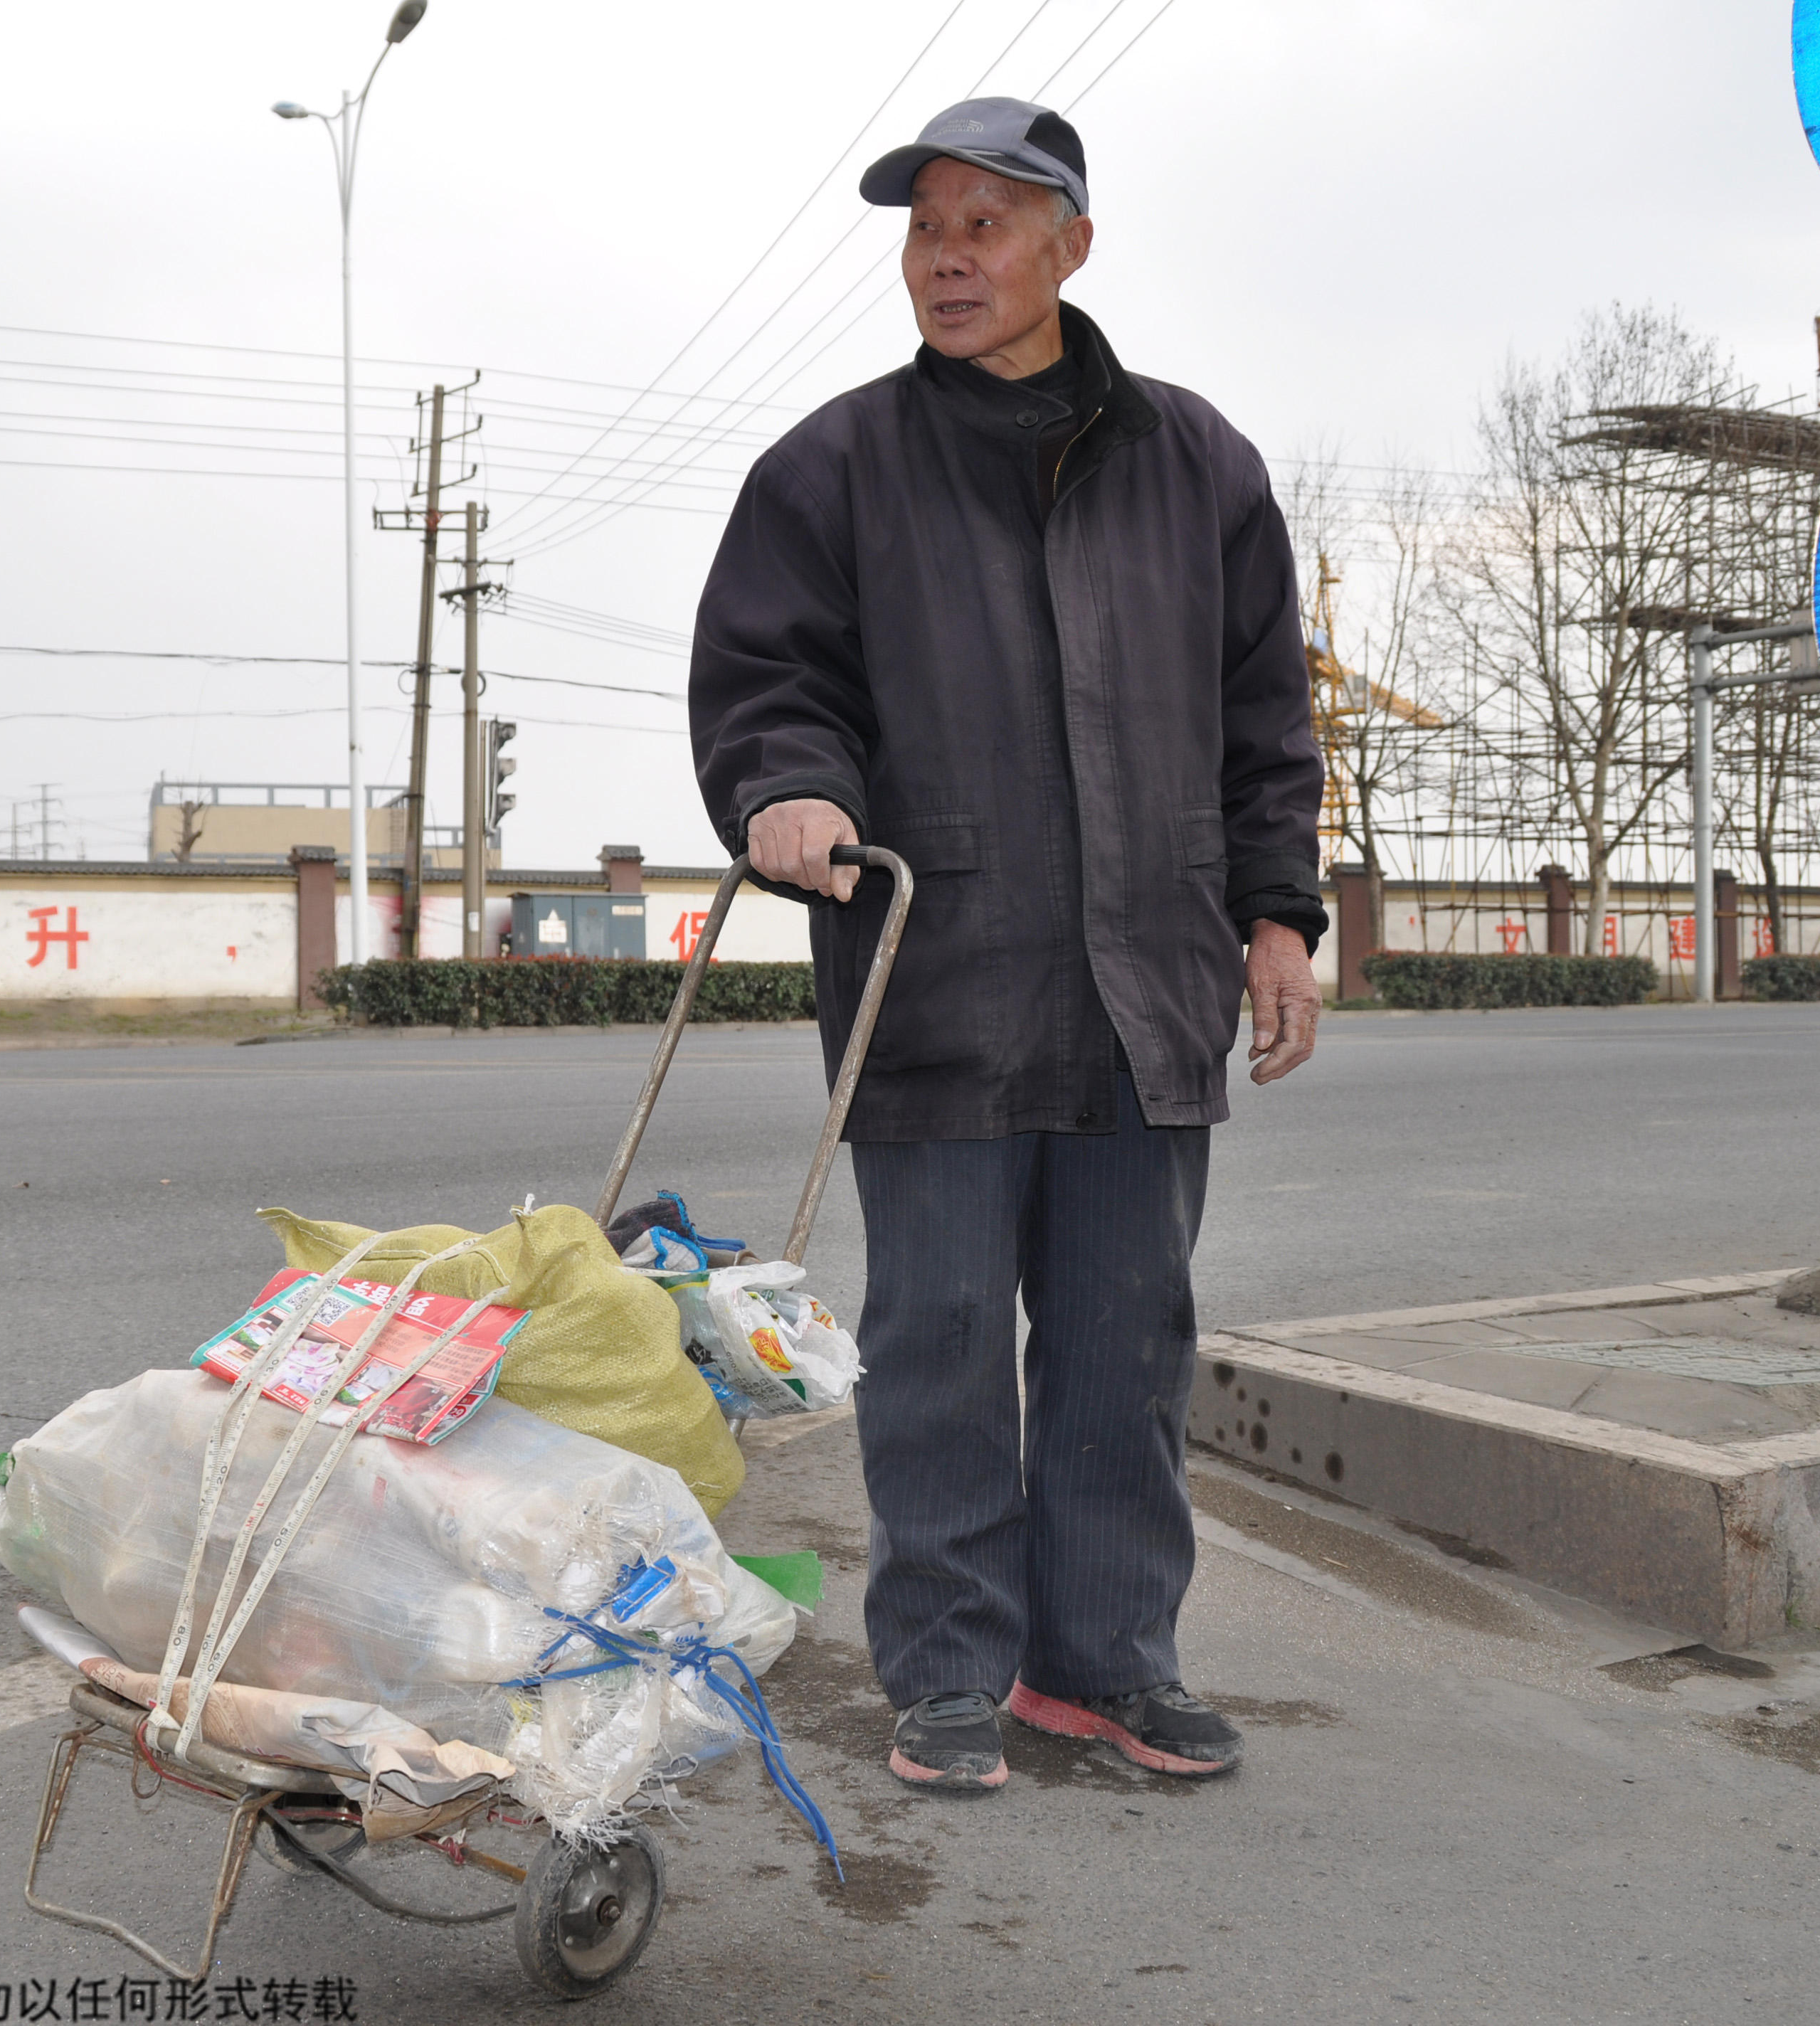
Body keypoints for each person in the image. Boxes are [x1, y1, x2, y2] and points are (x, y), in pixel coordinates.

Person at [689, 97, 1326, 1793]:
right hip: (937, 976)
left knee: (1126, 1344)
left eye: (982, 224)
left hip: (1146, 988)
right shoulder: (831, 467)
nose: (946, 256)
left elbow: (1264, 717)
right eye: (922, 230)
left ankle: (1104, 1663)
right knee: (943, 1344)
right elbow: (770, 682)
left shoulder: (1198, 464)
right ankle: (952, 1669)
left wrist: (1276, 913)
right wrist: (788, 791)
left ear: (1070, 247)